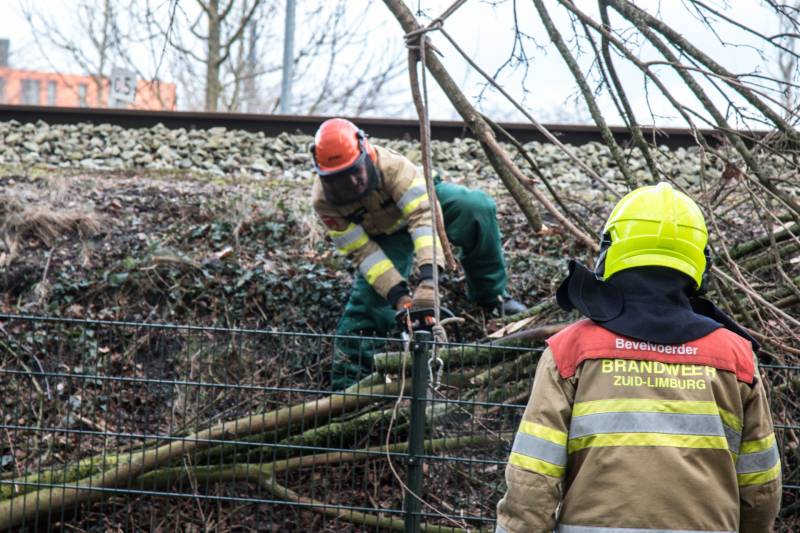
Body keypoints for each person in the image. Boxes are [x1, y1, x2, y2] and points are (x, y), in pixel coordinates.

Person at [496, 182, 781, 533]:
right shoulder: (735, 356)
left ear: (611, 249)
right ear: (699, 259)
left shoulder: (570, 351)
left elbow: (532, 481)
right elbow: (761, 488)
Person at [311, 118, 526, 390]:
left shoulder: (393, 167)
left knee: (475, 207)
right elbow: (363, 253)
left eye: (354, 172)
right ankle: (347, 392)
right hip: (385, 235)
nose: (350, 183)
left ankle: (492, 297)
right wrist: (399, 296)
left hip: (427, 204)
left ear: (366, 155)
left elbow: (424, 219)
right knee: (366, 307)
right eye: (338, 180)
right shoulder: (323, 202)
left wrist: (429, 280)